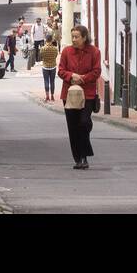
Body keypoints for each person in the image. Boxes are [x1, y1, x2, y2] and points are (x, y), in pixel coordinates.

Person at [58, 25, 101, 169]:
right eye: (73, 37)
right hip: (69, 94)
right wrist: (71, 76)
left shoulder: (94, 52)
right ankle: (78, 158)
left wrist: (82, 78)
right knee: (73, 127)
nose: (74, 40)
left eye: (77, 37)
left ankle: (84, 155)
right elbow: (61, 71)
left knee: (84, 123)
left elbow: (96, 72)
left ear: (84, 37)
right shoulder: (66, 51)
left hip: (87, 94)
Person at [40, 36, 60, 101]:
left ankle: (47, 96)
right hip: (53, 66)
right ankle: (52, 96)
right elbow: (56, 55)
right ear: (51, 40)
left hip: (45, 66)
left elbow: (41, 56)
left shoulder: (43, 48)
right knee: (52, 81)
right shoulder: (55, 49)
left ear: (46, 40)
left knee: (46, 81)